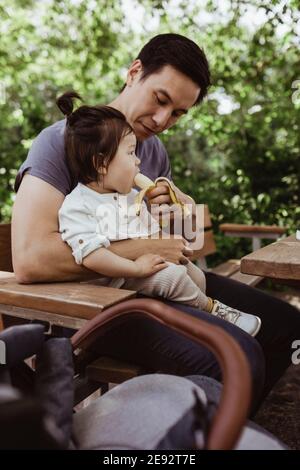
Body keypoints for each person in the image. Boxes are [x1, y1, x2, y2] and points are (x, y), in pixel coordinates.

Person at [11, 33, 300, 413]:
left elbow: (181, 245)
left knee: (285, 324)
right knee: (236, 355)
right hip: (99, 303)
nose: (163, 120)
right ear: (134, 73)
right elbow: (31, 260)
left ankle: (229, 430)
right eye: (161, 100)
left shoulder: (152, 151)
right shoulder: (63, 142)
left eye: (178, 113)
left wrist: (180, 214)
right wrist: (147, 248)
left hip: (157, 282)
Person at [57, 92, 261, 337]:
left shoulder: (131, 197)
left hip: (140, 272)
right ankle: (213, 312)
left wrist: (172, 240)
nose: (138, 161)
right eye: (131, 153)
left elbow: (151, 232)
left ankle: (190, 317)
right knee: (172, 277)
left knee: (192, 272)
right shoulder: (77, 205)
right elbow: (91, 255)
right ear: (101, 164)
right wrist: (137, 269)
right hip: (113, 285)